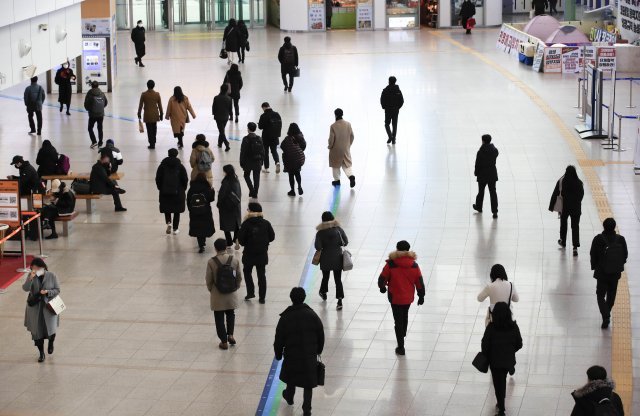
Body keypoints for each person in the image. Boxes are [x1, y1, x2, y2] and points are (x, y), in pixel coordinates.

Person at [274, 287, 325, 416]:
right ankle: (307, 408)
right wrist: (318, 350)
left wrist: (278, 354)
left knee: (292, 376)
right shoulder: (312, 315)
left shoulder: (286, 317)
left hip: (292, 354)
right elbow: (320, 335)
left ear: (291, 298)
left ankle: (289, 396)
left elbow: (279, 338)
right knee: (308, 382)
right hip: (309, 355)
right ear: (304, 297)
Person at [378, 240, 426, 355]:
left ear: (397, 249)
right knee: (404, 315)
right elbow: (419, 282)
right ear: (408, 250)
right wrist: (421, 295)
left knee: (397, 320)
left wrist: (382, 287)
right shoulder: (414, 265)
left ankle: (401, 346)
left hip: (394, 297)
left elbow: (382, 278)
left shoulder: (391, 264)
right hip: (408, 297)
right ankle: (402, 333)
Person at [481, 302, 523, 416]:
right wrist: (510, 351)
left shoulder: (491, 327)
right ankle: (501, 404)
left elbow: (484, 344)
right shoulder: (514, 326)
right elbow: (519, 344)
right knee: (502, 381)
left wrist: (487, 354)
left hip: (495, 362)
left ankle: (501, 408)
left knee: (498, 383)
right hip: (507, 360)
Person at [589, 218, 628, 329]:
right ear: (614, 226)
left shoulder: (598, 239)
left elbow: (593, 254)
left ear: (604, 226)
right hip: (615, 273)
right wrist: (618, 265)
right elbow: (625, 255)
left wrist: (595, 267)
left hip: (602, 272)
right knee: (611, 294)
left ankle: (606, 315)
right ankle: (607, 311)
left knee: (600, 295)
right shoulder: (621, 239)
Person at [206, 238, 243, 350]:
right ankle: (230, 335)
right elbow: (239, 277)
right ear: (226, 246)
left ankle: (223, 342)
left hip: (217, 294)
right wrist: (235, 287)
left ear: (215, 248)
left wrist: (211, 290)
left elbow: (209, 279)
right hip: (231, 293)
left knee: (219, 317)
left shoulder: (211, 262)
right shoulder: (234, 260)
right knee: (231, 314)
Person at [22, 258, 60, 363]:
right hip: (35, 308)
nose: (36, 270)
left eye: (38, 268)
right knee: (37, 332)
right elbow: (25, 288)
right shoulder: (31, 276)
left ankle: (51, 341)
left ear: (43, 267)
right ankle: (41, 353)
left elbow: (57, 290)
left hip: (49, 307)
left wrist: (47, 292)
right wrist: (30, 278)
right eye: (34, 269)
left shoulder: (52, 275)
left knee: (50, 329)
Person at [237, 202, 275, 304]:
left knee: (247, 272)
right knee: (261, 275)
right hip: (262, 254)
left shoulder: (246, 224)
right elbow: (272, 237)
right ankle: (262, 297)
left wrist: (247, 243)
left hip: (249, 253)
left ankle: (250, 292)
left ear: (251, 211)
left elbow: (241, 240)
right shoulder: (266, 223)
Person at [315, 212, 348, 310]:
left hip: (325, 258)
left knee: (325, 277)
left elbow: (318, 247)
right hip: (337, 258)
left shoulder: (320, 232)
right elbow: (345, 242)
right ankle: (340, 300)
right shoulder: (338, 230)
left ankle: (323, 292)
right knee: (338, 280)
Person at [549, 165, 584, 256]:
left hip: (564, 208)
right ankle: (575, 247)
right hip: (576, 208)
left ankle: (563, 241)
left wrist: (551, 206)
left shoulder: (562, 181)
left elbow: (555, 193)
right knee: (575, 226)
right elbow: (581, 196)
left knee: (563, 224)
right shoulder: (579, 182)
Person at [156, 148, 188, 235]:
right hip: (178, 191)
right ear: (176, 154)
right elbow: (185, 179)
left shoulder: (162, 166)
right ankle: (175, 228)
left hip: (164, 191)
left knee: (167, 208)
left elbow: (158, 178)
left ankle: (169, 222)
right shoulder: (180, 166)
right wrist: (183, 188)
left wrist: (160, 188)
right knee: (177, 210)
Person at [187, 172, 216, 253]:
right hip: (205, 211)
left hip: (194, 212)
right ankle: (203, 242)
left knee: (197, 227)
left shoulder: (192, 188)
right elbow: (211, 199)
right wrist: (212, 191)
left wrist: (191, 210)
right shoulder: (206, 187)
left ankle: (201, 245)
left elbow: (188, 200)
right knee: (204, 226)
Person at [472, 134, 499, 218]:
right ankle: (494, 211)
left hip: (482, 174)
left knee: (481, 192)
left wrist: (476, 173)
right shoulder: (494, 150)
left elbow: (477, 164)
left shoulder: (481, 152)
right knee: (493, 192)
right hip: (492, 174)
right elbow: (496, 154)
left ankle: (479, 207)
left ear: (483, 141)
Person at [328, 108, 356, 188]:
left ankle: (337, 181)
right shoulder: (348, 124)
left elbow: (331, 139)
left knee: (335, 165)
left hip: (336, 149)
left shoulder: (333, 126)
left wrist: (330, 146)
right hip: (345, 148)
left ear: (335, 115)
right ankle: (351, 176)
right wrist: (348, 145)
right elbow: (352, 136)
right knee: (346, 164)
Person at [217, 164, 242, 250]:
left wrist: (219, 204)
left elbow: (222, 195)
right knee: (236, 223)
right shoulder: (236, 180)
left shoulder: (226, 182)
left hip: (226, 207)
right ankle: (236, 238)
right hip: (236, 205)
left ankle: (229, 241)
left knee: (225, 224)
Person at [239, 123, 265, 199]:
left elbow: (242, 151)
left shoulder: (245, 139)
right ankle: (255, 192)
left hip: (248, 162)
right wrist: (262, 160)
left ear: (248, 129)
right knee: (256, 177)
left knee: (246, 175)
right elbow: (263, 151)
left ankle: (252, 190)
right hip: (257, 161)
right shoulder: (259, 138)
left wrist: (241, 161)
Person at [280, 123, 307, 196]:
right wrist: (298, 150)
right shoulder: (300, 137)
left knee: (291, 175)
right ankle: (299, 186)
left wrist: (290, 151)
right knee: (297, 173)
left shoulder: (288, 138)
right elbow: (304, 146)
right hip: (298, 159)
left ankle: (292, 190)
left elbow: (282, 146)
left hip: (290, 160)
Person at [137, 79, 163, 149]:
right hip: (155, 114)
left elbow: (140, 105)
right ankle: (153, 142)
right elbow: (160, 105)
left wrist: (139, 113)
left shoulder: (144, 94)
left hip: (147, 115)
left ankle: (151, 143)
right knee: (154, 128)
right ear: (154, 86)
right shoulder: (157, 94)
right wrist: (161, 114)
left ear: (147, 86)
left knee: (149, 130)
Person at [258, 103, 283, 174]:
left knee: (265, 152)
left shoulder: (263, 116)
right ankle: (277, 162)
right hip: (275, 137)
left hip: (266, 137)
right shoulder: (277, 114)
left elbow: (260, 127)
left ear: (264, 107)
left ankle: (266, 168)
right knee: (274, 151)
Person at [380, 76, 404, 145]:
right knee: (394, 124)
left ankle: (390, 136)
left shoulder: (385, 90)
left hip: (388, 110)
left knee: (387, 124)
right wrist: (398, 107)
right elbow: (402, 101)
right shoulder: (398, 91)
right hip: (395, 110)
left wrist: (384, 107)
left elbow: (382, 100)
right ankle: (393, 139)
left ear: (389, 81)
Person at [84, 80, 108, 149]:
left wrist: (89, 109)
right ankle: (100, 143)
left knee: (90, 128)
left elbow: (86, 104)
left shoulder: (89, 93)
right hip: (101, 114)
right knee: (100, 128)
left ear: (91, 86)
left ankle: (94, 141)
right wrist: (101, 109)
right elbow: (106, 102)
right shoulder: (102, 93)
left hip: (92, 114)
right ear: (98, 86)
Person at [211, 85, 232, 151]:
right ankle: (220, 143)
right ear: (226, 90)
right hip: (225, 117)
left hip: (218, 117)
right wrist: (230, 115)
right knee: (222, 130)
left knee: (221, 131)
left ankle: (226, 144)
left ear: (220, 89)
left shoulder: (216, 98)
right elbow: (230, 109)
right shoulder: (229, 98)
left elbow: (213, 107)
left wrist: (214, 114)